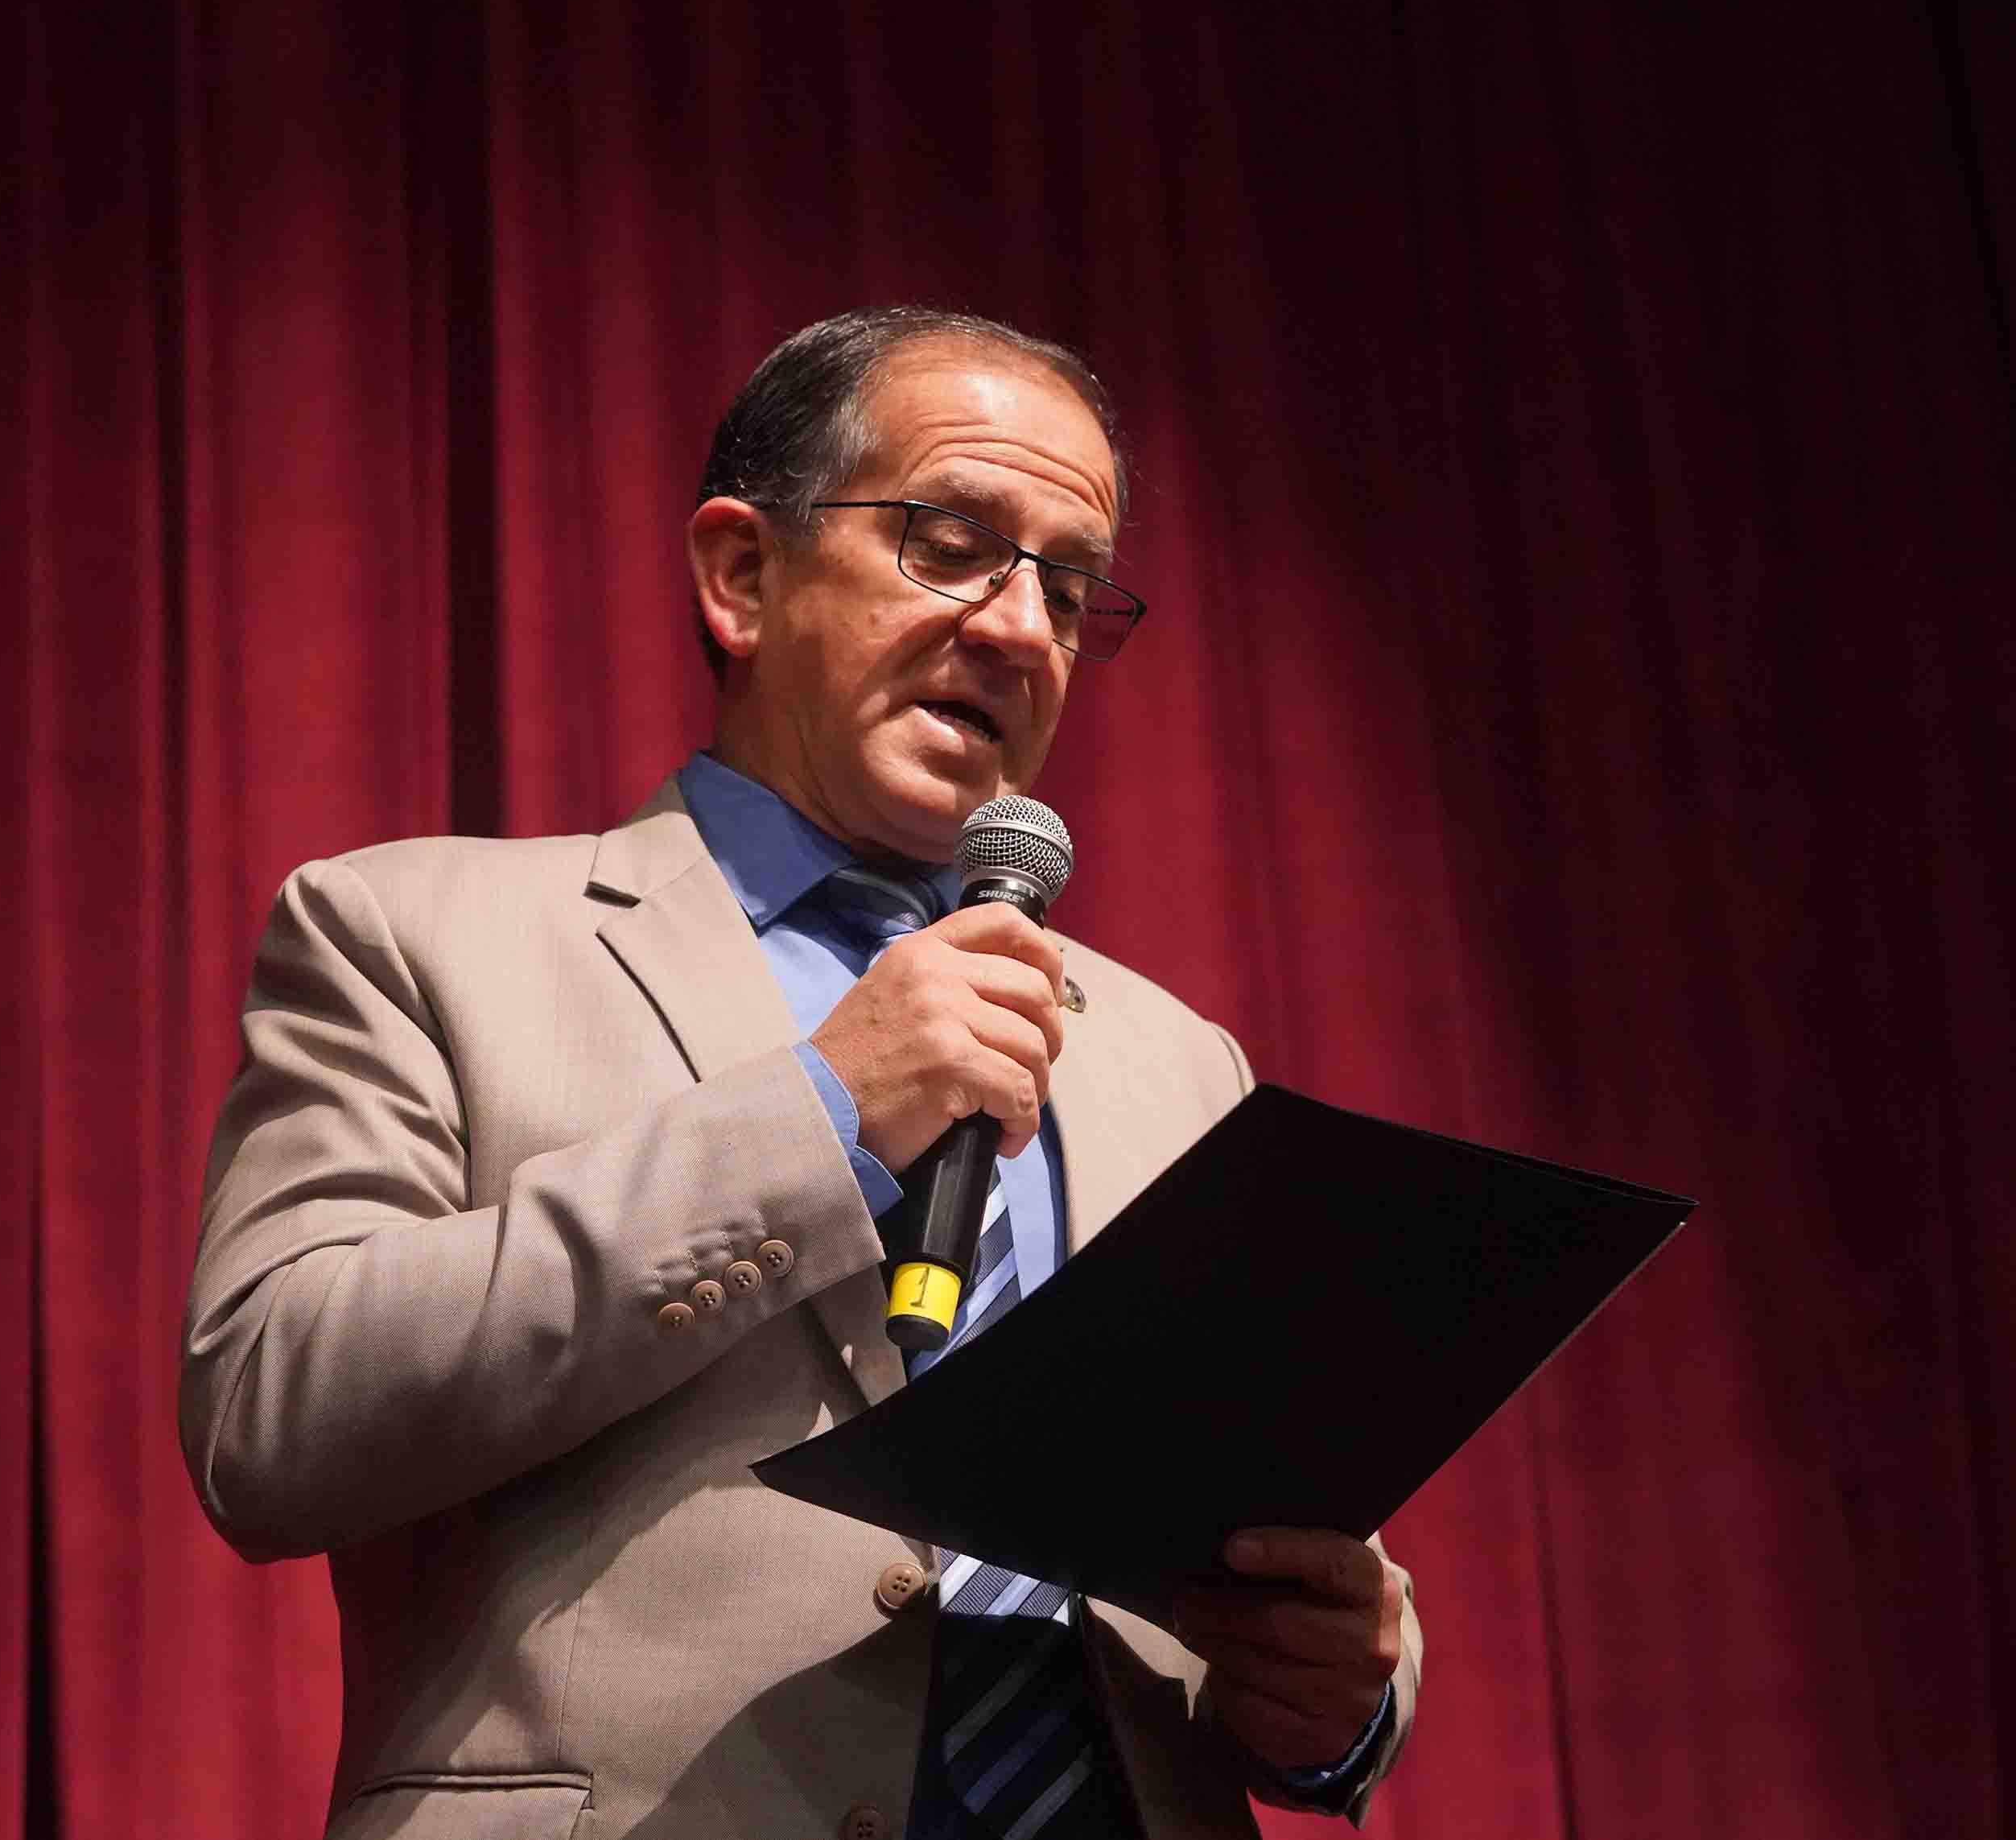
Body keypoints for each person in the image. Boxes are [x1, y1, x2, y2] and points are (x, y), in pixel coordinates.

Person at [180, 307, 1422, 1840]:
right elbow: (270, 1412)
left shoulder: (1181, 1060)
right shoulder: (412, 933)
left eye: (1071, 584)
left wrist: (1344, 1687)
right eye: (953, 540)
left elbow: (1269, 1520)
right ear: (743, 575)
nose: (1024, 625)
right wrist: (821, 1114)